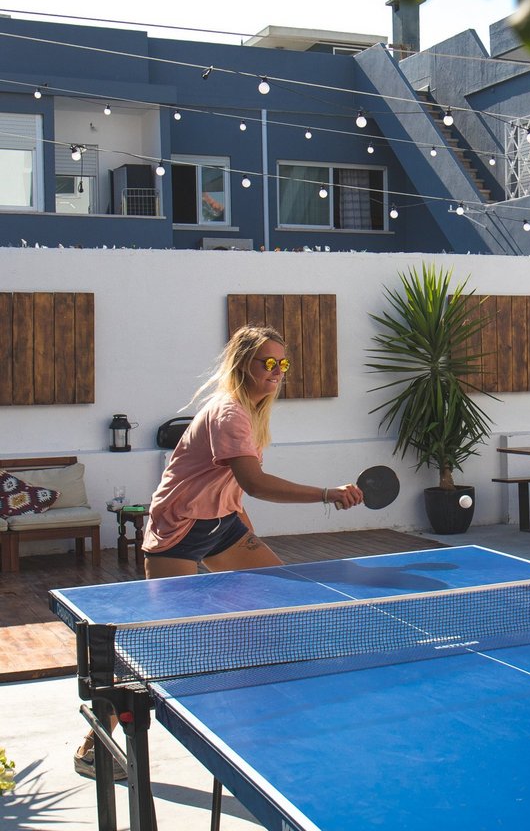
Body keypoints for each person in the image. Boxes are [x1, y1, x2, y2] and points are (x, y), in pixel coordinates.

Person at [74, 324, 363, 779]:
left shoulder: (252, 411)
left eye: (282, 364)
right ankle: (95, 744)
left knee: (282, 600)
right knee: (166, 641)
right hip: (179, 532)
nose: (277, 371)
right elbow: (256, 483)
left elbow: (232, 488)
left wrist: (244, 530)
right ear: (243, 363)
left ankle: (265, 708)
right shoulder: (229, 413)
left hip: (223, 525)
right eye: (268, 362)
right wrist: (327, 493)